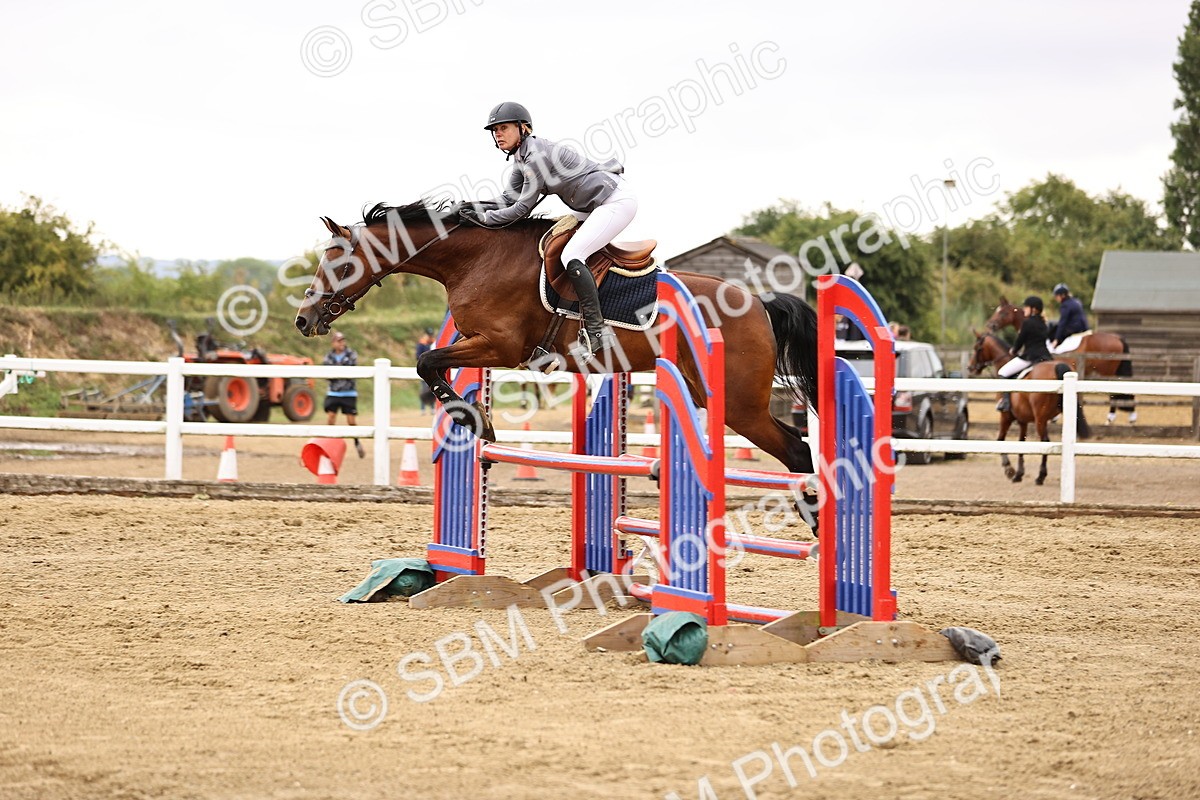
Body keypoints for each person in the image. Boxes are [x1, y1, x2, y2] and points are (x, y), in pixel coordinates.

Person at [459, 101, 635, 357]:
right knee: (551, 244)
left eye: (504, 128)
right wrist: (470, 207)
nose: (498, 134)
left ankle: (597, 331)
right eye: (495, 130)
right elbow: (507, 199)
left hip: (615, 201)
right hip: (593, 204)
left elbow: (522, 209)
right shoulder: (521, 159)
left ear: (523, 128)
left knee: (572, 255)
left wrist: (484, 219)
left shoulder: (535, 157)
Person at [996, 296, 1052, 412]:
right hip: (1046, 357)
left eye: (1026, 307)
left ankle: (1006, 402)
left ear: (1033, 309)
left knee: (1003, 372)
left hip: (1030, 357)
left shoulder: (1027, 323)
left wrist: (1013, 350)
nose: (1024, 309)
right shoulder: (1044, 323)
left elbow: (1020, 341)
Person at [324, 331, 365, 458]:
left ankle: (357, 442)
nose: (342, 343)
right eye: (339, 341)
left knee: (351, 421)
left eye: (343, 341)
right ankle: (329, 444)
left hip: (348, 392)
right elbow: (327, 372)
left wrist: (336, 374)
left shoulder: (351, 354)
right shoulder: (329, 356)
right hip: (334, 392)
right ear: (333, 343)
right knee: (331, 418)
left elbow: (350, 370)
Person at [1049, 283, 1089, 352]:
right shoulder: (1076, 301)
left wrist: (1056, 339)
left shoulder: (1065, 305)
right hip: (1084, 328)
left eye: (1057, 296)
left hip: (1074, 329)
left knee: (1054, 330)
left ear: (1063, 295)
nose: (1056, 298)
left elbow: (1062, 322)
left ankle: (1054, 350)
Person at [415, 328, 436, 414]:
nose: (430, 336)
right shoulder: (422, 344)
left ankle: (432, 408)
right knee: (424, 389)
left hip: (432, 369)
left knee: (433, 389)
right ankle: (422, 408)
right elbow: (417, 356)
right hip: (424, 369)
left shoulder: (433, 343)